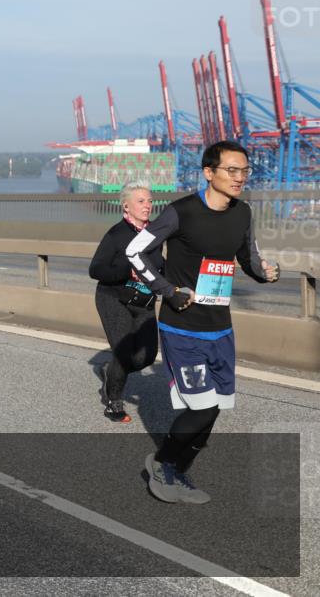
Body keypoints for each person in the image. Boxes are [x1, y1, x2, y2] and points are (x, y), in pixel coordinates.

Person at [126, 141, 280, 504]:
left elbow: (248, 257)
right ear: (209, 173)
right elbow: (135, 250)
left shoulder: (242, 213)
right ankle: (162, 462)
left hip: (220, 328)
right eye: (231, 170)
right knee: (202, 406)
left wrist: (266, 273)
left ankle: (178, 472)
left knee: (217, 408)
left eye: (244, 171)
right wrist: (168, 290)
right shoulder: (181, 212)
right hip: (182, 327)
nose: (239, 177)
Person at [88, 181, 161, 423]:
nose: (147, 205)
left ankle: (111, 371)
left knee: (146, 357)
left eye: (150, 200)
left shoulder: (155, 234)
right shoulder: (116, 234)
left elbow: (161, 265)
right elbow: (96, 269)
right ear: (126, 207)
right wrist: (127, 269)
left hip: (144, 301)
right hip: (114, 298)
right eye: (141, 201)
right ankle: (113, 400)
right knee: (123, 352)